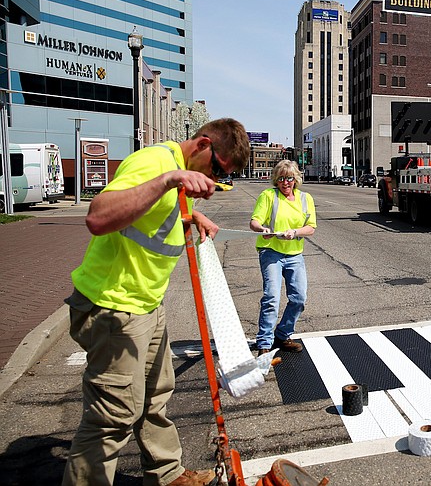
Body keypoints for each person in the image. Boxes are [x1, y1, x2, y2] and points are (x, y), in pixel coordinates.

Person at [63, 119, 251, 486]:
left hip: (146, 306)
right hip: (114, 307)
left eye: (222, 178)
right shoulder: (156, 163)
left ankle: (166, 474)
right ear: (203, 144)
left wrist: (190, 214)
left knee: (155, 395)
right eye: (216, 170)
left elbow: (151, 215)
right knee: (113, 416)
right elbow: (98, 216)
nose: (213, 181)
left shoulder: (178, 174)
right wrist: (168, 180)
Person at [249, 160, 317, 356]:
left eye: (289, 178)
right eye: (281, 179)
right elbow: (254, 221)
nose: (285, 183)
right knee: (271, 297)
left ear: (295, 179)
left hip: (294, 254)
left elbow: (311, 227)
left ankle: (282, 334)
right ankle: (264, 343)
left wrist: (295, 232)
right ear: (275, 180)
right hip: (271, 251)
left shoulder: (305, 198)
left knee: (299, 298)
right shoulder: (268, 196)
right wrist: (262, 229)